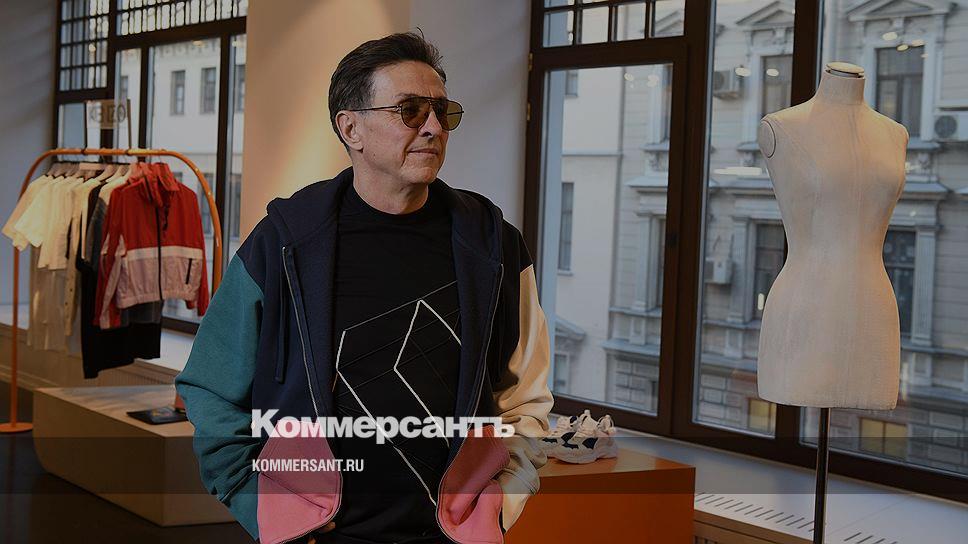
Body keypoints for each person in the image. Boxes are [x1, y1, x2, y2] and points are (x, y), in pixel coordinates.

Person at [175, 30, 553, 544]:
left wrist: (500, 506)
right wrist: (259, 503)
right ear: (350, 127)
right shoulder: (284, 243)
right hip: (316, 535)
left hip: (451, 537)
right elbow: (211, 388)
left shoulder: (493, 246)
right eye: (410, 110)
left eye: (443, 112)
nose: (434, 127)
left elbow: (525, 397)